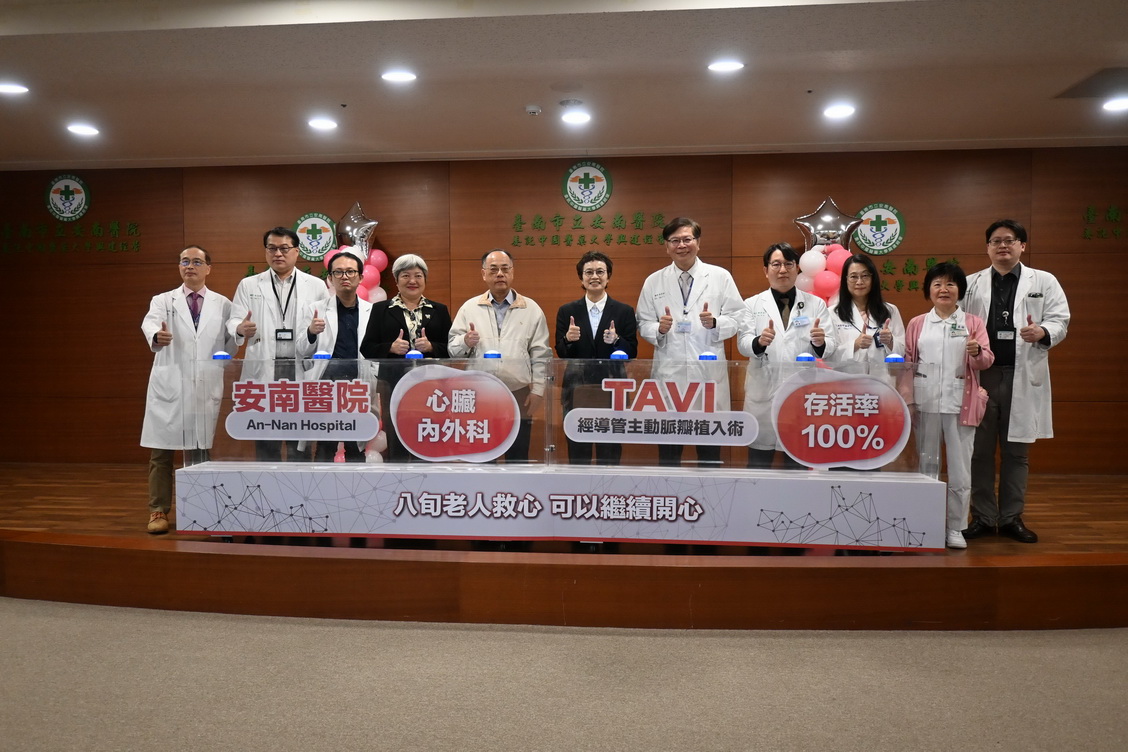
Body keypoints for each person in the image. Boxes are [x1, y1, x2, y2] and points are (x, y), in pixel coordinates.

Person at [961, 220, 1070, 543]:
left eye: (1009, 240)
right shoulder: (970, 283)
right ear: (987, 248)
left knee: (1017, 453)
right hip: (982, 377)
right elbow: (956, 321)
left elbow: (1060, 319)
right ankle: (983, 517)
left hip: (1022, 375)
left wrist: (1043, 331)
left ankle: (1011, 518)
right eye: (996, 241)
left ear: (1022, 245)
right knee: (979, 452)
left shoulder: (1044, 281)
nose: (1003, 246)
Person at [636, 217, 746, 467]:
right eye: (675, 240)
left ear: (698, 242)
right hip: (670, 375)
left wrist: (716, 322)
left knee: (709, 452)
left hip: (707, 375)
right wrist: (658, 329)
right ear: (667, 247)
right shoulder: (654, 281)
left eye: (687, 239)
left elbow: (739, 317)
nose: (681, 245)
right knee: (669, 454)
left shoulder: (720, 276)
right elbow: (642, 322)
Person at [140, 245, 234, 533]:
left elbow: (229, 346)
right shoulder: (162, 300)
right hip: (170, 384)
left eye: (196, 262)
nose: (189, 266)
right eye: (184, 261)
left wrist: (241, 334)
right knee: (161, 453)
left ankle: (201, 509)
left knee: (200, 452)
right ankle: (158, 511)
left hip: (205, 385)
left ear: (208, 268)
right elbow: (150, 324)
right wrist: (157, 335)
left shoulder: (223, 304)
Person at [902, 262, 994, 550]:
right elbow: (907, 364)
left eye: (950, 284)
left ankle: (955, 527)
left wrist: (977, 352)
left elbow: (986, 361)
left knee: (960, 471)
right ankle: (925, 523)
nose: (944, 289)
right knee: (926, 468)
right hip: (925, 405)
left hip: (960, 405)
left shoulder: (973, 323)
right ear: (929, 290)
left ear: (960, 291)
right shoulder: (917, 323)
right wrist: (908, 400)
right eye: (937, 284)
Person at [228, 226, 329, 461]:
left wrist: (315, 331)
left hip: (299, 368)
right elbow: (234, 319)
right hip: (264, 368)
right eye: (272, 248)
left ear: (296, 251)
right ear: (266, 252)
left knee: (300, 443)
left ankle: (301, 483)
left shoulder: (315, 285)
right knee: (266, 441)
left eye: (284, 248)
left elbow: (325, 325)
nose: (278, 254)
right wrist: (240, 328)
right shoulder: (249, 285)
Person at [738, 242, 835, 469]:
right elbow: (742, 344)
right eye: (776, 264)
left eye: (789, 264)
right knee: (759, 465)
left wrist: (820, 342)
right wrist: (759, 342)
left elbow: (831, 346)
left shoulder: (816, 304)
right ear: (766, 270)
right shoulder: (751, 304)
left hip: (799, 394)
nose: (782, 270)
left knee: (796, 464)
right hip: (763, 392)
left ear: (797, 269)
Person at [448, 249, 551, 462]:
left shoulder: (531, 309)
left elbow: (541, 353)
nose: (500, 274)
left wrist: (538, 389)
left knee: (518, 456)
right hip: (480, 393)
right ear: (483, 274)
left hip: (518, 391)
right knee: (483, 453)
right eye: (493, 269)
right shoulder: (469, 307)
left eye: (505, 269)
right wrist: (465, 341)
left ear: (513, 272)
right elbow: (452, 349)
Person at [360, 253, 452, 461]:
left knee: (428, 432)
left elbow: (451, 349)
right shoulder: (381, 309)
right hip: (393, 383)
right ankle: (398, 475)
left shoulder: (439, 310)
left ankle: (426, 475)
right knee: (396, 433)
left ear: (425, 279)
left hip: (431, 385)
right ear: (396, 280)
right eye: (405, 276)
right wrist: (390, 348)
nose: (412, 281)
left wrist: (432, 346)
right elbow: (367, 347)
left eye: (418, 276)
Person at [555, 251, 639, 465]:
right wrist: (568, 339)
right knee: (578, 448)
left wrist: (617, 340)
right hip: (577, 388)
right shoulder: (567, 311)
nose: (594, 276)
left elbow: (632, 352)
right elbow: (561, 352)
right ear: (581, 278)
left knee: (609, 449)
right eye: (589, 272)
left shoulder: (624, 311)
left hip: (612, 388)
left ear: (608, 277)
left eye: (600, 272)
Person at [295, 249, 373, 463]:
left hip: (357, 385)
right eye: (338, 272)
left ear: (360, 277)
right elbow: (301, 349)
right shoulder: (315, 309)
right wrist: (311, 332)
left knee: (356, 446)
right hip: (325, 385)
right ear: (330, 278)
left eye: (350, 272)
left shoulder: (372, 310)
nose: (344, 276)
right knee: (324, 446)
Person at [829, 253, 905, 369]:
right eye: (853, 277)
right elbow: (828, 357)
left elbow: (902, 352)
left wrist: (890, 341)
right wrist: (855, 345)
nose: (859, 282)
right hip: (847, 377)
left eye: (865, 276)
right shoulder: (833, 313)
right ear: (845, 280)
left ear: (873, 278)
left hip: (881, 377)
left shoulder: (890, 310)